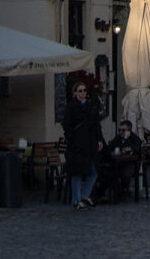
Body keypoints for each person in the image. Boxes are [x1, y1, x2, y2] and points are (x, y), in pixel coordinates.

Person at [61, 80, 104, 208]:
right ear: (75, 93)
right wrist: (72, 138)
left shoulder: (91, 106)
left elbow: (96, 125)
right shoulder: (71, 107)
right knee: (77, 172)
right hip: (77, 145)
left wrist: (99, 139)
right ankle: (76, 200)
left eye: (84, 90)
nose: (83, 93)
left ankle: (85, 195)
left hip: (90, 143)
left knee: (93, 171)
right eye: (80, 91)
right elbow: (66, 125)